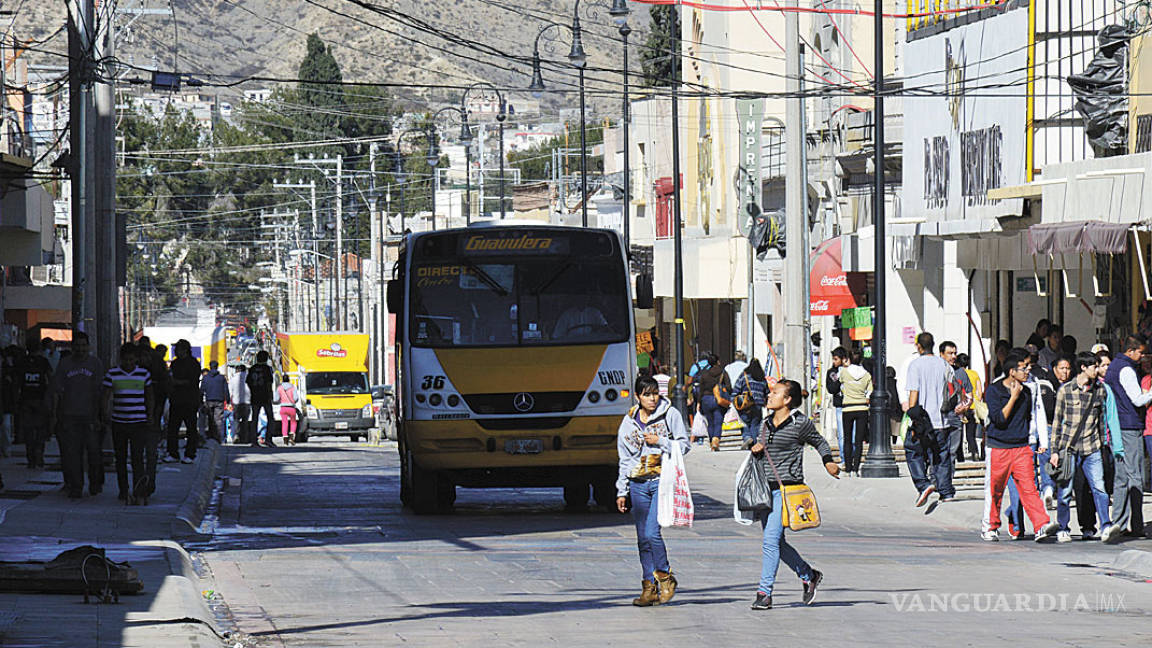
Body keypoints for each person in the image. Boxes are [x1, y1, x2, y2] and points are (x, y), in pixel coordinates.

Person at [746, 379, 839, 610]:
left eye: (775, 392)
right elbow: (759, 447)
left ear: (787, 399)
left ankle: (764, 593)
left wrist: (829, 462)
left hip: (787, 492)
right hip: (765, 491)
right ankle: (809, 575)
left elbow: (820, 442)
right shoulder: (765, 424)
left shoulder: (800, 423)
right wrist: (755, 446)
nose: (769, 395)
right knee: (777, 542)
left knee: (769, 541)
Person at [615, 374, 690, 607]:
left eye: (655, 393)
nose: (652, 399)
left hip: (661, 480)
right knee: (642, 538)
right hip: (637, 482)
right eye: (647, 394)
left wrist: (661, 441)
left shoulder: (670, 415)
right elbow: (624, 458)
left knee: (652, 532)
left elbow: (684, 445)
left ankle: (665, 576)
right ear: (637, 397)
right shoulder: (628, 421)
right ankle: (649, 586)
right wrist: (621, 490)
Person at [981, 350, 1060, 542]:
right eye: (1023, 369)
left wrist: (1039, 441)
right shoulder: (994, 390)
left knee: (1029, 488)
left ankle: (1041, 525)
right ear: (1011, 372)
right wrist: (1013, 397)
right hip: (998, 447)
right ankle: (990, 526)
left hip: (1022, 447)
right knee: (995, 489)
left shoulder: (1028, 391)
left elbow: (1031, 417)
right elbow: (999, 419)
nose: (1027, 372)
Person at [1049, 353, 1122, 543]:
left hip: (1093, 447)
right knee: (1065, 491)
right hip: (1069, 448)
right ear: (1083, 367)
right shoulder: (1066, 390)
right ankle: (1063, 527)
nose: (1097, 370)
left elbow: (1104, 419)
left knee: (1100, 488)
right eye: (1094, 366)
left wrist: (1109, 445)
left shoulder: (1100, 390)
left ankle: (1106, 525)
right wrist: (1055, 451)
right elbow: (1057, 423)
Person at [1102, 335, 1151, 539]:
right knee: (1135, 475)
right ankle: (1136, 525)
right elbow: (1138, 400)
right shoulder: (1126, 370)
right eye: (1140, 352)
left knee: (1121, 476)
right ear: (1130, 351)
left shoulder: (1114, 366)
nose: (1142, 357)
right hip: (1129, 426)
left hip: (1117, 426)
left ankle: (1119, 523)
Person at [49, 332, 105, 498]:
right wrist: (55, 415)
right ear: (72, 347)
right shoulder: (65, 364)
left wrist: (100, 416)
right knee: (73, 454)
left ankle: (95, 483)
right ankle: (76, 486)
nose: (80, 349)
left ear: (88, 346)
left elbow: (100, 392)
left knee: (94, 453)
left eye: (83, 345)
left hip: (91, 416)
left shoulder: (95, 364)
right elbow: (57, 392)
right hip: (69, 416)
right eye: (77, 346)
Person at [905, 332, 957, 505]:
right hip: (942, 419)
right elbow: (952, 389)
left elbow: (914, 393)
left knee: (913, 451)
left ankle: (923, 483)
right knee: (941, 454)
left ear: (919, 346)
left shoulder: (915, 365)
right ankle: (946, 491)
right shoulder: (944, 365)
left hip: (923, 420)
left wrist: (913, 417)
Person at [102, 343, 155, 503]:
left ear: (136, 359)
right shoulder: (112, 374)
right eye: (126, 360)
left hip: (138, 422)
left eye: (132, 360)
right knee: (121, 458)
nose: (129, 363)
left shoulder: (144, 374)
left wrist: (150, 415)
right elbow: (105, 396)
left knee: (138, 458)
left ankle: (138, 490)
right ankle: (123, 490)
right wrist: (105, 414)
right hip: (119, 422)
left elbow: (149, 396)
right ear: (121, 359)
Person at [938, 340, 973, 494]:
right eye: (949, 353)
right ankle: (936, 479)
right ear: (941, 354)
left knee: (952, 451)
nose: (953, 357)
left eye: (954, 353)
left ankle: (946, 483)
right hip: (938, 415)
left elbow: (969, 394)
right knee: (938, 449)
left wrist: (965, 406)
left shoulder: (960, 373)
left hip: (955, 415)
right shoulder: (937, 371)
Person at [18, 338, 53, 469]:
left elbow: (17, 381)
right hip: (40, 398)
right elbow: (50, 378)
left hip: (25, 399)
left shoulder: (22, 362)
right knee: (40, 429)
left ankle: (30, 457)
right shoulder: (43, 362)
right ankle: (39, 453)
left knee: (28, 430)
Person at [165, 339, 202, 464]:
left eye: (178, 349)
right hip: (176, 400)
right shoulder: (175, 363)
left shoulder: (193, 364)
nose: (176, 351)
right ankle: (173, 453)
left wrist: (177, 382)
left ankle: (190, 454)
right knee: (172, 428)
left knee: (191, 428)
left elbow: (192, 381)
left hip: (190, 400)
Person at [839, 349, 871, 476]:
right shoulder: (867, 375)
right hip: (862, 408)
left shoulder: (844, 372)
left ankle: (847, 468)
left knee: (847, 439)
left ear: (849, 359)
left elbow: (840, 385)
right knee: (858, 440)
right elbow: (869, 391)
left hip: (848, 407)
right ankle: (856, 468)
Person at [693, 355, 727, 451]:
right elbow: (728, 386)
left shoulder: (705, 374)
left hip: (706, 399)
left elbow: (701, 389)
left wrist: (699, 402)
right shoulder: (722, 373)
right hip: (718, 399)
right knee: (718, 422)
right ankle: (716, 440)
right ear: (718, 362)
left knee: (710, 423)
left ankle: (712, 441)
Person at [956, 353, 985, 462]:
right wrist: (977, 401)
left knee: (959, 433)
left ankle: (960, 457)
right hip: (972, 406)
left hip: (961, 407)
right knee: (970, 434)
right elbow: (979, 390)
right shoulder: (974, 374)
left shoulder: (957, 374)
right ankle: (975, 453)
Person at [733, 358, 769, 444]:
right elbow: (767, 392)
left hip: (745, 404)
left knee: (744, 422)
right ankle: (754, 442)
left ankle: (747, 437)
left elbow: (736, 389)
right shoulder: (762, 378)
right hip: (758, 405)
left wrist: (734, 402)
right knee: (755, 424)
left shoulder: (744, 375)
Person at [246, 351, 276, 447]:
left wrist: (253, 390)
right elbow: (269, 383)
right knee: (270, 418)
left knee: (254, 418)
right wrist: (270, 395)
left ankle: (254, 440)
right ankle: (268, 439)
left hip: (255, 396)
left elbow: (248, 382)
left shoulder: (252, 369)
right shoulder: (267, 369)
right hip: (265, 396)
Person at [826, 347, 847, 466]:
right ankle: (844, 458)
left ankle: (852, 458)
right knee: (842, 434)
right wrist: (839, 379)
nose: (834, 361)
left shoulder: (851, 370)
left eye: (836, 359)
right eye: (833, 359)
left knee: (853, 435)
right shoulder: (832, 373)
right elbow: (831, 389)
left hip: (852, 404)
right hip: (840, 405)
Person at [200, 361, 230, 443]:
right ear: (217, 367)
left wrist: (200, 400)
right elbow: (225, 390)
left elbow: (202, 390)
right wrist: (227, 400)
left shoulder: (205, 378)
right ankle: (218, 437)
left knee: (210, 418)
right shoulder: (221, 378)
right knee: (218, 419)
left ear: (210, 367)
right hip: (219, 400)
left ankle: (211, 435)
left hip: (209, 400)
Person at [230, 364, 251, 445]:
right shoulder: (248, 378)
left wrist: (229, 402)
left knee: (236, 420)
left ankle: (236, 435)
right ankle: (245, 437)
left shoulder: (233, 379)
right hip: (247, 402)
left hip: (236, 402)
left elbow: (230, 391)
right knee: (245, 421)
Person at [276, 377, 300, 445]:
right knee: (293, 422)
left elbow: (276, 399)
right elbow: (296, 398)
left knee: (284, 422)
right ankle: (291, 436)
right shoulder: (292, 387)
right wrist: (293, 401)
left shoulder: (279, 388)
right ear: (289, 380)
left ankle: (285, 438)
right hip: (291, 407)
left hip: (283, 407)